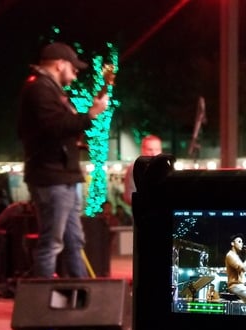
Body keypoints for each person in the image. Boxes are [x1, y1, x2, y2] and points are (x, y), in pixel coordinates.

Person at [17, 41, 109, 279]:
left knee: (74, 242)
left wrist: (78, 132)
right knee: (52, 243)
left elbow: (57, 128)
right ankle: (42, 297)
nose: (76, 73)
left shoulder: (49, 89)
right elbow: (55, 126)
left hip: (62, 176)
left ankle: (82, 291)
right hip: (52, 178)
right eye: (73, 67)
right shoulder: (39, 89)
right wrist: (91, 114)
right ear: (60, 64)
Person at [122, 134, 162, 207]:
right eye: (150, 149)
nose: (154, 153)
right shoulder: (134, 168)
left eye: (157, 149)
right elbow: (129, 196)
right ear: (142, 149)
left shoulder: (164, 168)